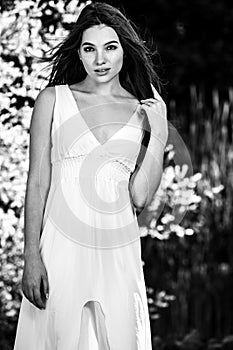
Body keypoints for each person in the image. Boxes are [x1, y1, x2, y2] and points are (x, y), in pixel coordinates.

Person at [13, 2, 168, 349]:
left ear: (124, 52)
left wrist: (158, 136)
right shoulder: (53, 101)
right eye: (90, 48)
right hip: (60, 247)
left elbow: (140, 197)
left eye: (110, 48)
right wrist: (31, 256)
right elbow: (37, 182)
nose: (101, 59)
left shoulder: (140, 112)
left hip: (118, 252)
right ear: (79, 54)